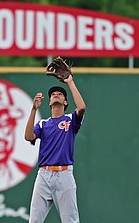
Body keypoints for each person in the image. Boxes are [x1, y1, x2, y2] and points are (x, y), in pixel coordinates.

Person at [24, 74, 86, 222]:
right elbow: (28, 136)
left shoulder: (70, 120)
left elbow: (82, 107)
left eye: (60, 94)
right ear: (50, 102)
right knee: (34, 220)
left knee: (70, 220)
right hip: (44, 176)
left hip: (64, 174)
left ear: (65, 102)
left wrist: (70, 82)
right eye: (53, 94)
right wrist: (33, 109)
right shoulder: (43, 124)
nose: (56, 95)